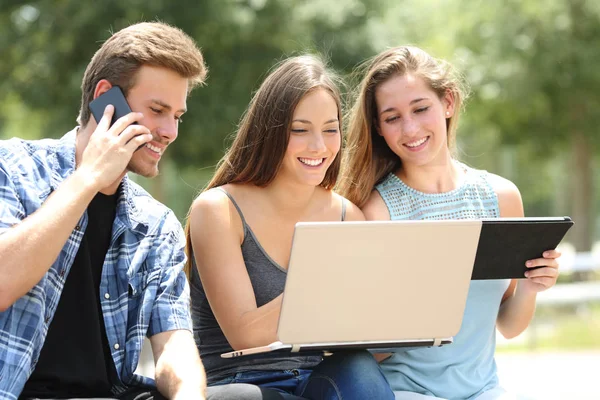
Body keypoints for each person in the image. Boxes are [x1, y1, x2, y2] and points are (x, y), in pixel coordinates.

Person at [0, 21, 269, 400]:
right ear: (106, 98)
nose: (170, 131)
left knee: (244, 396)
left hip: (113, 394)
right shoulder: (12, 167)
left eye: (177, 116)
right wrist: (88, 179)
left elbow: (174, 344)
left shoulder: (156, 224)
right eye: (157, 110)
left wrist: (188, 395)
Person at [338, 45, 562, 399]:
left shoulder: (502, 198)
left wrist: (532, 287)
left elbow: (507, 324)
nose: (410, 128)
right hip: (405, 393)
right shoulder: (375, 211)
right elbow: (363, 347)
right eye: (392, 117)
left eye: (420, 108)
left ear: (448, 102)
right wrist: (419, 309)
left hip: (485, 391)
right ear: (378, 128)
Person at [185, 55, 395, 400]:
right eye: (300, 130)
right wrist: (327, 283)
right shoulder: (218, 210)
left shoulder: (348, 216)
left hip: (318, 380)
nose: (319, 146)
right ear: (270, 131)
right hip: (243, 384)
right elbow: (246, 335)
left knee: (358, 366)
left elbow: (372, 347)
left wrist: (396, 316)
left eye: (330, 129)